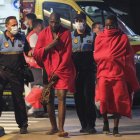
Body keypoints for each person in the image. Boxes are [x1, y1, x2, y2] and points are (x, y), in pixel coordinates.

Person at [94, 15, 140, 136]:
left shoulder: (123, 37)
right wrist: (108, 57)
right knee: (103, 100)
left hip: (118, 74)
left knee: (118, 101)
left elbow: (129, 56)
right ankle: (105, 122)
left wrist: (119, 59)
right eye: (107, 26)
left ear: (116, 25)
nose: (109, 28)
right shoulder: (100, 37)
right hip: (103, 73)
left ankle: (115, 128)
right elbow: (97, 55)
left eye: (111, 25)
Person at [34, 12, 76, 137]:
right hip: (48, 68)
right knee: (49, 99)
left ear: (60, 22)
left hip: (62, 69)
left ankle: (61, 128)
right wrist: (50, 46)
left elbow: (67, 55)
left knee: (62, 96)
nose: (54, 24)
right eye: (52, 22)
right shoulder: (43, 34)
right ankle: (53, 127)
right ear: (48, 21)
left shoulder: (66, 33)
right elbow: (36, 53)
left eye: (56, 22)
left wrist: (58, 72)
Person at [0, 16, 30, 134]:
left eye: (16, 24)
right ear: (6, 26)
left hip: (17, 73)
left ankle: (23, 124)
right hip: (2, 73)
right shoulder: (1, 38)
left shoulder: (22, 37)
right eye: (12, 25)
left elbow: (28, 51)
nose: (15, 27)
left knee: (18, 99)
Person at [71, 12, 96, 134]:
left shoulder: (93, 35)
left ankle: (91, 125)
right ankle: (83, 125)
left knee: (88, 99)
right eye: (77, 21)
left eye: (81, 21)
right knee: (78, 99)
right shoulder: (70, 36)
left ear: (85, 21)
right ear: (74, 22)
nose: (79, 23)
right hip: (75, 74)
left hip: (89, 73)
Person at [24, 19, 46, 117]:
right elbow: (35, 52)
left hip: (36, 65)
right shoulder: (33, 36)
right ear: (39, 26)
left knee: (37, 86)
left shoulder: (35, 35)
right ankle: (27, 103)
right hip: (35, 65)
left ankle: (37, 110)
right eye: (43, 25)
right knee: (39, 86)